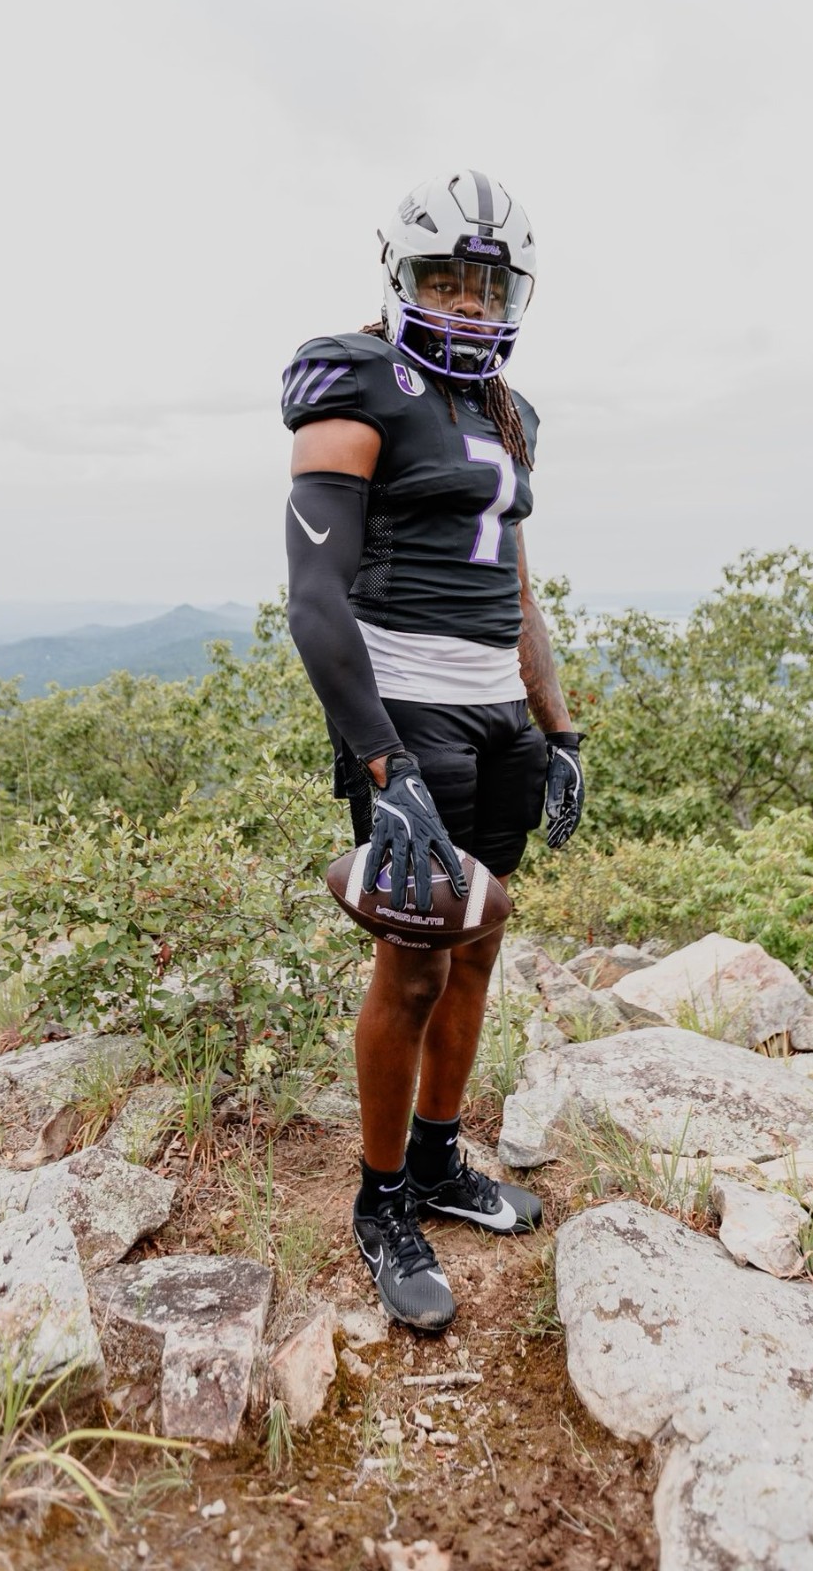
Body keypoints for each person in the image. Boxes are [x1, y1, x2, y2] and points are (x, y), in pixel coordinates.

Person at [281, 169, 584, 1332]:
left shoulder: (512, 413)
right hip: (407, 714)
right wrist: (384, 764)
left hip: (499, 720)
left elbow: (517, 591)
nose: (466, 302)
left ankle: (440, 1158)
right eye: (445, 279)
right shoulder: (356, 376)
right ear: (402, 276)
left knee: (480, 940)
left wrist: (559, 728)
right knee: (411, 964)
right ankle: (382, 1203)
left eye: (486, 285)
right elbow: (316, 597)